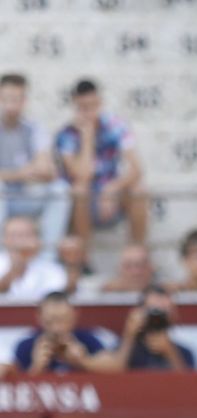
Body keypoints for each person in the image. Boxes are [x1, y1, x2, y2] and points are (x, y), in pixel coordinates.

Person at [53, 78, 147, 244]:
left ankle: (138, 252)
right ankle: (83, 258)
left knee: (138, 191)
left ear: (100, 102)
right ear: (75, 106)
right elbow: (82, 175)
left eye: (93, 106)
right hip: (82, 201)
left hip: (110, 194)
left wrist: (111, 189)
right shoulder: (66, 135)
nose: (89, 112)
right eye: (84, 107)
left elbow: (136, 169)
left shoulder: (116, 126)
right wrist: (87, 137)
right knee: (80, 190)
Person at [1, 73, 70, 248]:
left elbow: (46, 171)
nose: (10, 104)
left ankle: (48, 256)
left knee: (60, 190)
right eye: (6, 98)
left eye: (16, 99)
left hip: (25, 196)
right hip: (4, 197)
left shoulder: (35, 128)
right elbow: (35, 169)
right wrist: (21, 173)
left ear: (24, 101)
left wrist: (10, 175)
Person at [12, 290, 117, 374]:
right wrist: (37, 367)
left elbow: (115, 367)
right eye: (50, 321)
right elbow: (16, 384)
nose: (57, 328)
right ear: (39, 317)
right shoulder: (26, 346)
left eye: (63, 320)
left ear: (74, 315)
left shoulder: (86, 339)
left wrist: (84, 362)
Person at [112, 285, 195, 372]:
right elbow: (114, 372)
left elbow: (187, 382)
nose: (156, 318)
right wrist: (129, 335)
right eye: (152, 310)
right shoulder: (126, 349)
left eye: (163, 311)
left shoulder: (184, 353)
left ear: (173, 316)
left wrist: (170, 352)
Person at [0, 213, 67, 303]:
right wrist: (16, 267)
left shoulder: (53, 269)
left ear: (37, 239)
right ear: (4, 239)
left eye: (26, 235)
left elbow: (55, 302)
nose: (20, 241)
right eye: (14, 235)